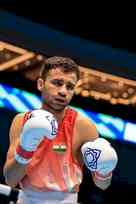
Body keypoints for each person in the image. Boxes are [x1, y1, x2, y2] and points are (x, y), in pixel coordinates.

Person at [3, 56, 118, 204]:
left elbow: (103, 185)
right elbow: (11, 179)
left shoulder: (83, 127)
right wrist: (26, 149)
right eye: (57, 83)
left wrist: (105, 171)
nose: (63, 91)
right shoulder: (22, 121)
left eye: (70, 87)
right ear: (40, 84)